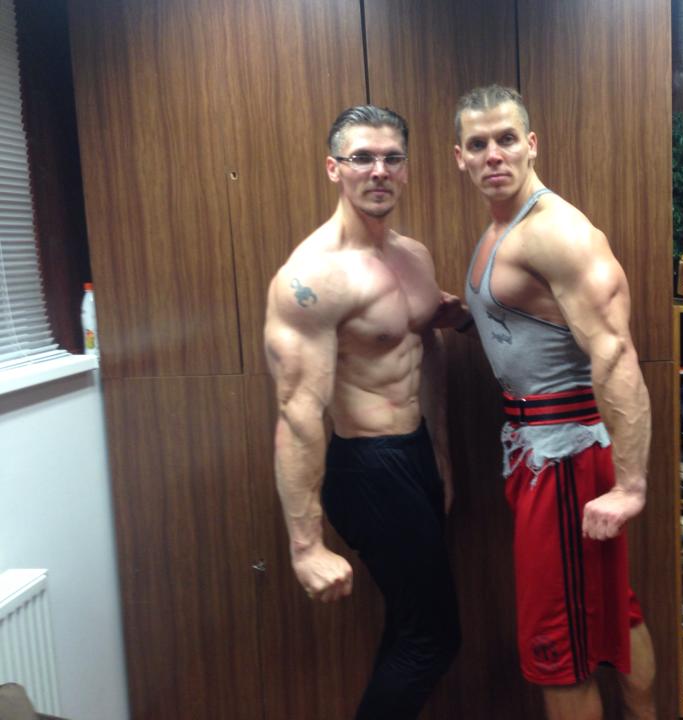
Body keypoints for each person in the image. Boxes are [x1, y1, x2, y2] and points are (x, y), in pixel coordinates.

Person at [452, 85, 656, 720]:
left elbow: (615, 353)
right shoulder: (502, 227)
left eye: (506, 139)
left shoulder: (555, 232)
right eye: (478, 144)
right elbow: (532, 325)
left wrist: (629, 487)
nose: (493, 154)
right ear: (460, 156)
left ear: (531, 144)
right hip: (540, 449)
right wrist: (462, 320)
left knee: (555, 642)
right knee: (611, 612)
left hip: (563, 459)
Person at [263, 105, 460, 720]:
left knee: (410, 626)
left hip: (416, 453)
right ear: (334, 168)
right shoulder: (311, 278)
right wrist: (305, 547)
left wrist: (441, 454)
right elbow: (298, 412)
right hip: (367, 468)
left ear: (406, 168)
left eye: (392, 158)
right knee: (434, 638)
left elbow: (426, 347)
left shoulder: (415, 256)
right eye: (362, 158)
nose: (379, 171)